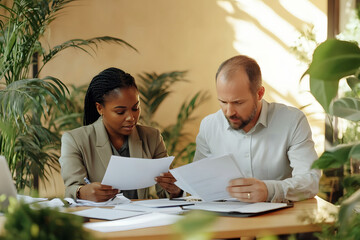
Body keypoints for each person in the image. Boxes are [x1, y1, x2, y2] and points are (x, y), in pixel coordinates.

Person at [194, 55, 321, 203]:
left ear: (259, 93)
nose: (229, 112)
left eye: (238, 102)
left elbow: (310, 181)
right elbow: (198, 182)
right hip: (225, 221)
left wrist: (269, 191)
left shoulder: (292, 121)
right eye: (223, 102)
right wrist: (179, 189)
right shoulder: (209, 126)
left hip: (282, 221)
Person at [59, 67, 181, 202]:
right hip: (100, 218)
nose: (131, 117)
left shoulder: (152, 137)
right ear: (100, 108)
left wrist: (176, 189)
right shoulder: (74, 140)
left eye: (135, 108)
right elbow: (71, 188)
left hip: (142, 218)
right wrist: (81, 192)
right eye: (120, 112)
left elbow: (166, 192)